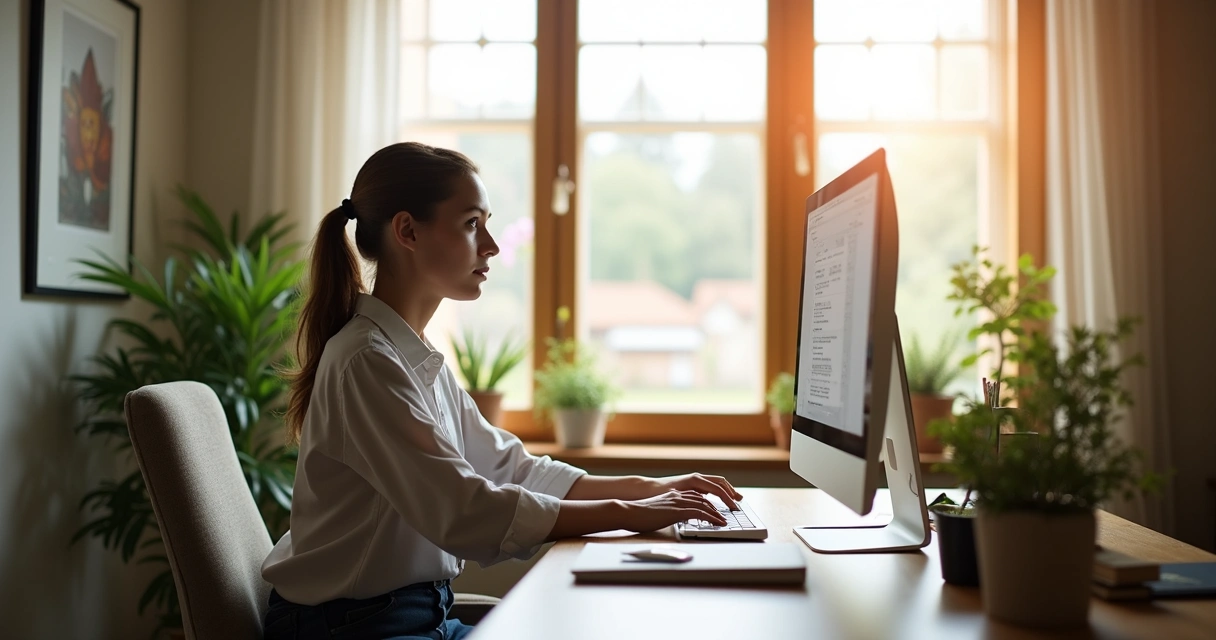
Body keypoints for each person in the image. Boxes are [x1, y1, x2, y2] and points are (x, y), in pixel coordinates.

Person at [261, 142, 742, 640]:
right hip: (353, 629)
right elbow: (465, 511)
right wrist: (625, 514)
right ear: (407, 230)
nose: (490, 245)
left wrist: (647, 488)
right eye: (472, 223)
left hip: (412, 616)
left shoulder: (410, 354)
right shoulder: (367, 362)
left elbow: (509, 468)